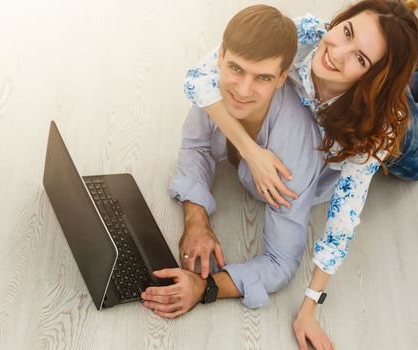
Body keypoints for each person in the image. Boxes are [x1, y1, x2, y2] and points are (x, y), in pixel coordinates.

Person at [182, 1, 418, 349]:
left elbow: (343, 219)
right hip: (374, 90)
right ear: (340, 21)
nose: (337, 53)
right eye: (346, 32)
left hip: (391, 123)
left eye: (360, 58)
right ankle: (416, 75)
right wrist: (252, 152)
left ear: (371, 74)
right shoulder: (305, 33)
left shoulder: (380, 129)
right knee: (399, 86)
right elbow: (199, 78)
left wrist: (309, 307)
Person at [140, 5, 328, 319]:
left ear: (283, 77)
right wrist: (196, 220)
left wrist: (206, 287)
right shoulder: (212, 88)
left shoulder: (295, 155)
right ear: (220, 56)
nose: (242, 90)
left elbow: (281, 263)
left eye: (263, 77)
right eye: (236, 69)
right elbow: (195, 146)